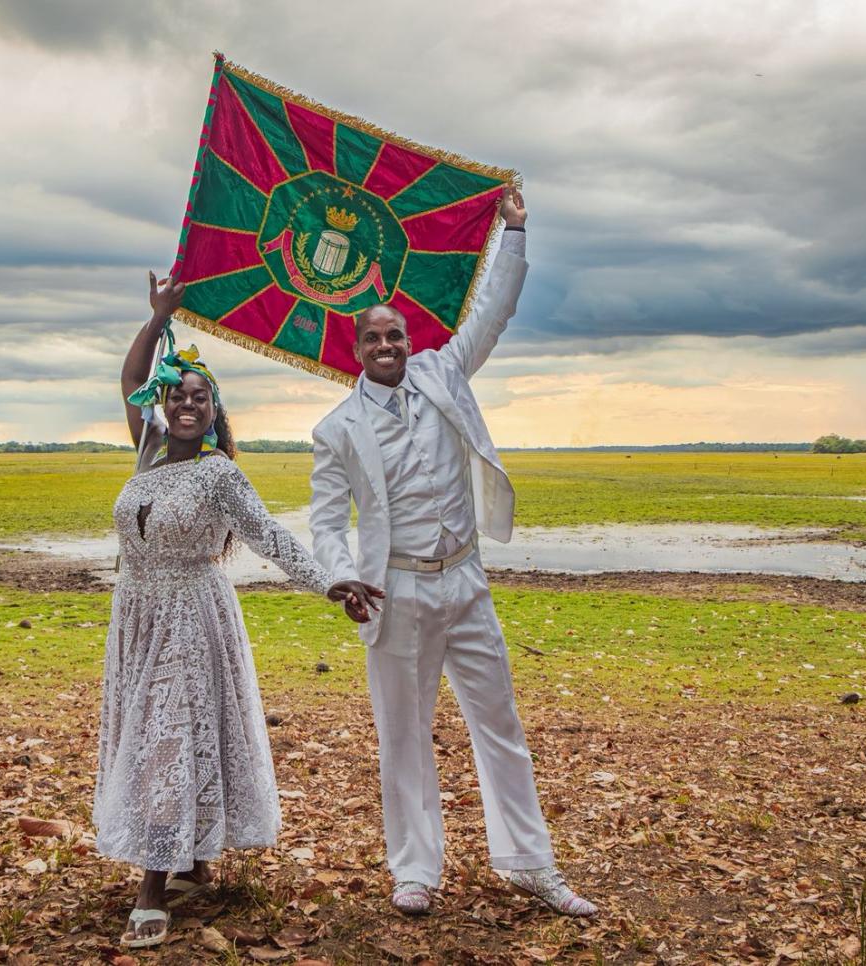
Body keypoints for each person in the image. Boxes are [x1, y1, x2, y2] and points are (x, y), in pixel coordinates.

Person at [309, 188, 598, 918]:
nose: (387, 347)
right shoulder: (337, 429)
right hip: (395, 590)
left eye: (396, 335)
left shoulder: (443, 372)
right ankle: (415, 871)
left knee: (500, 723)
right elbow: (326, 520)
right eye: (374, 339)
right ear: (356, 350)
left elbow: (492, 313)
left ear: (409, 340)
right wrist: (340, 576)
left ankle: (531, 864)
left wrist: (515, 233)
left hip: (466, 580)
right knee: (403, 736)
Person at [96, 272, 381, 949]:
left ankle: (152, 888)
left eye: (201, 397)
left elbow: (271, 538)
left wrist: (331, 582)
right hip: (136, 616)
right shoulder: (148, 454)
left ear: (213, 410)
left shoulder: (220, 474)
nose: (188, 404)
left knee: (165, 738)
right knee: (154, 734)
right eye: (178, 394)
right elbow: (130, 377)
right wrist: (158, 318)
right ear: (163, 403)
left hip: (191, 617)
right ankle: (193, 864)